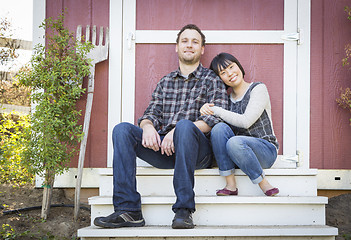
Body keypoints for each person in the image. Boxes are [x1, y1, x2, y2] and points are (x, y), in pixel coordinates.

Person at [93, 24, 228, 229]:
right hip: (166, 150)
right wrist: (147, 127)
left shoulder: (212, 80)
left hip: (198, 153)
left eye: (195, 42)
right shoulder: (166, 82)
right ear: (177, 47)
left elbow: (215, 119)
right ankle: (128, 210)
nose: (189, 45)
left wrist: (177, 130)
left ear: (201, 49)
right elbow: (151, 114)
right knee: (122, 130)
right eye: (184, 41)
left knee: (183, 126)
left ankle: (184, 210)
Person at [200, 52, 279, 197]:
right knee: (219, 129)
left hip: (265, 151)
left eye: (231, 67)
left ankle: (263, 183)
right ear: (220, 79)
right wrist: (204, 109)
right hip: (237, 153)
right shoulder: (226, 100)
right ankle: (230, 185)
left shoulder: (258, 89)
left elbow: (246, 121)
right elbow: (219, 130)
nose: (230, 73)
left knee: (235, 141)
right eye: (223, 72)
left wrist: (216, 110)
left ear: (239, 66)